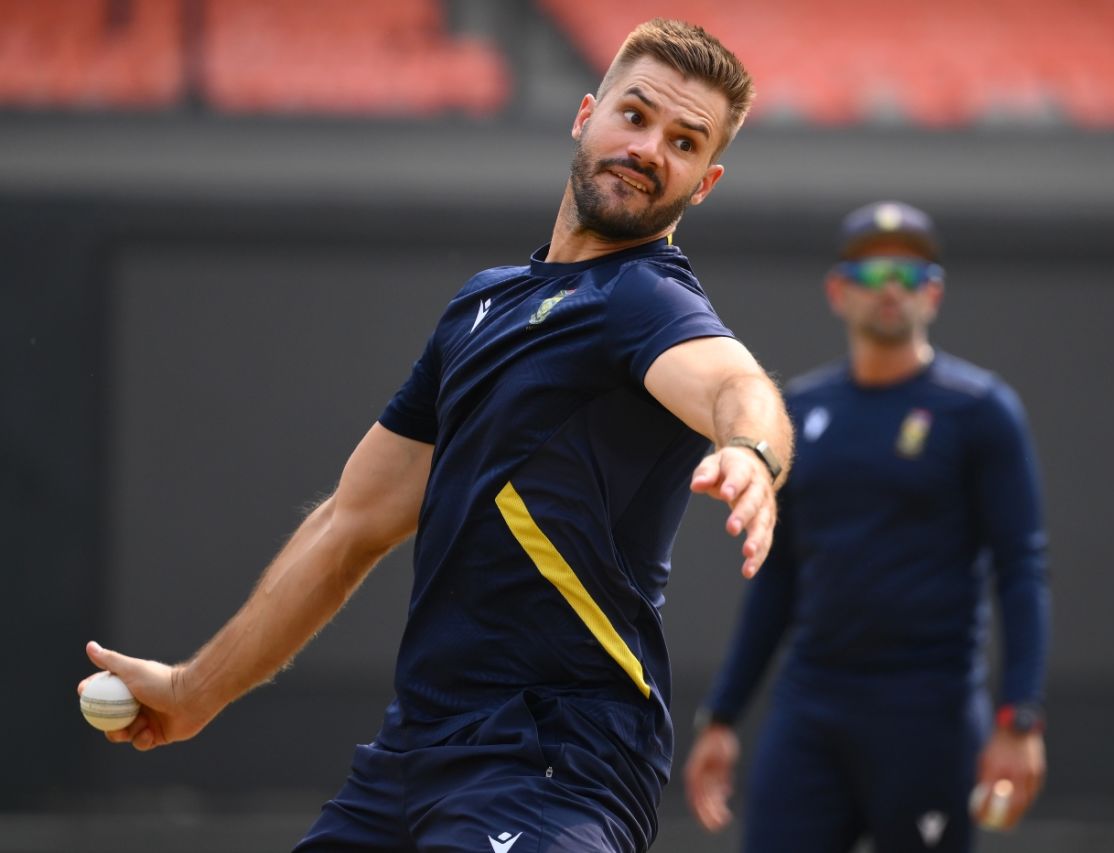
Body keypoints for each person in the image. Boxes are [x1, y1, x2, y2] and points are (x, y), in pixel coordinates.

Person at [78, 19, 793, 853]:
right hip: (410, 759)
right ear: (586, 114)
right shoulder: (480, 308)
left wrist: (750, 451)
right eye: (634, 117)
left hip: (553, 763)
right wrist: (194, 689)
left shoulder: (645, 300)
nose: (646, 147)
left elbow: (737, 384)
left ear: (701, 184)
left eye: (681, 141)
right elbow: (350, 525)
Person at [683, 201, 1050, 852]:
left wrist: (1018, 718)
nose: (890, 287)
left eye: (908, 275)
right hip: (813, 709)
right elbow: (777, 577)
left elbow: (1021, 568)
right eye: (873, 271)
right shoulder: (800, 410)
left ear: (933, 293)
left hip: (929, 716)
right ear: (837, 290)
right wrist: (722, 714)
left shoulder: (980, 411)